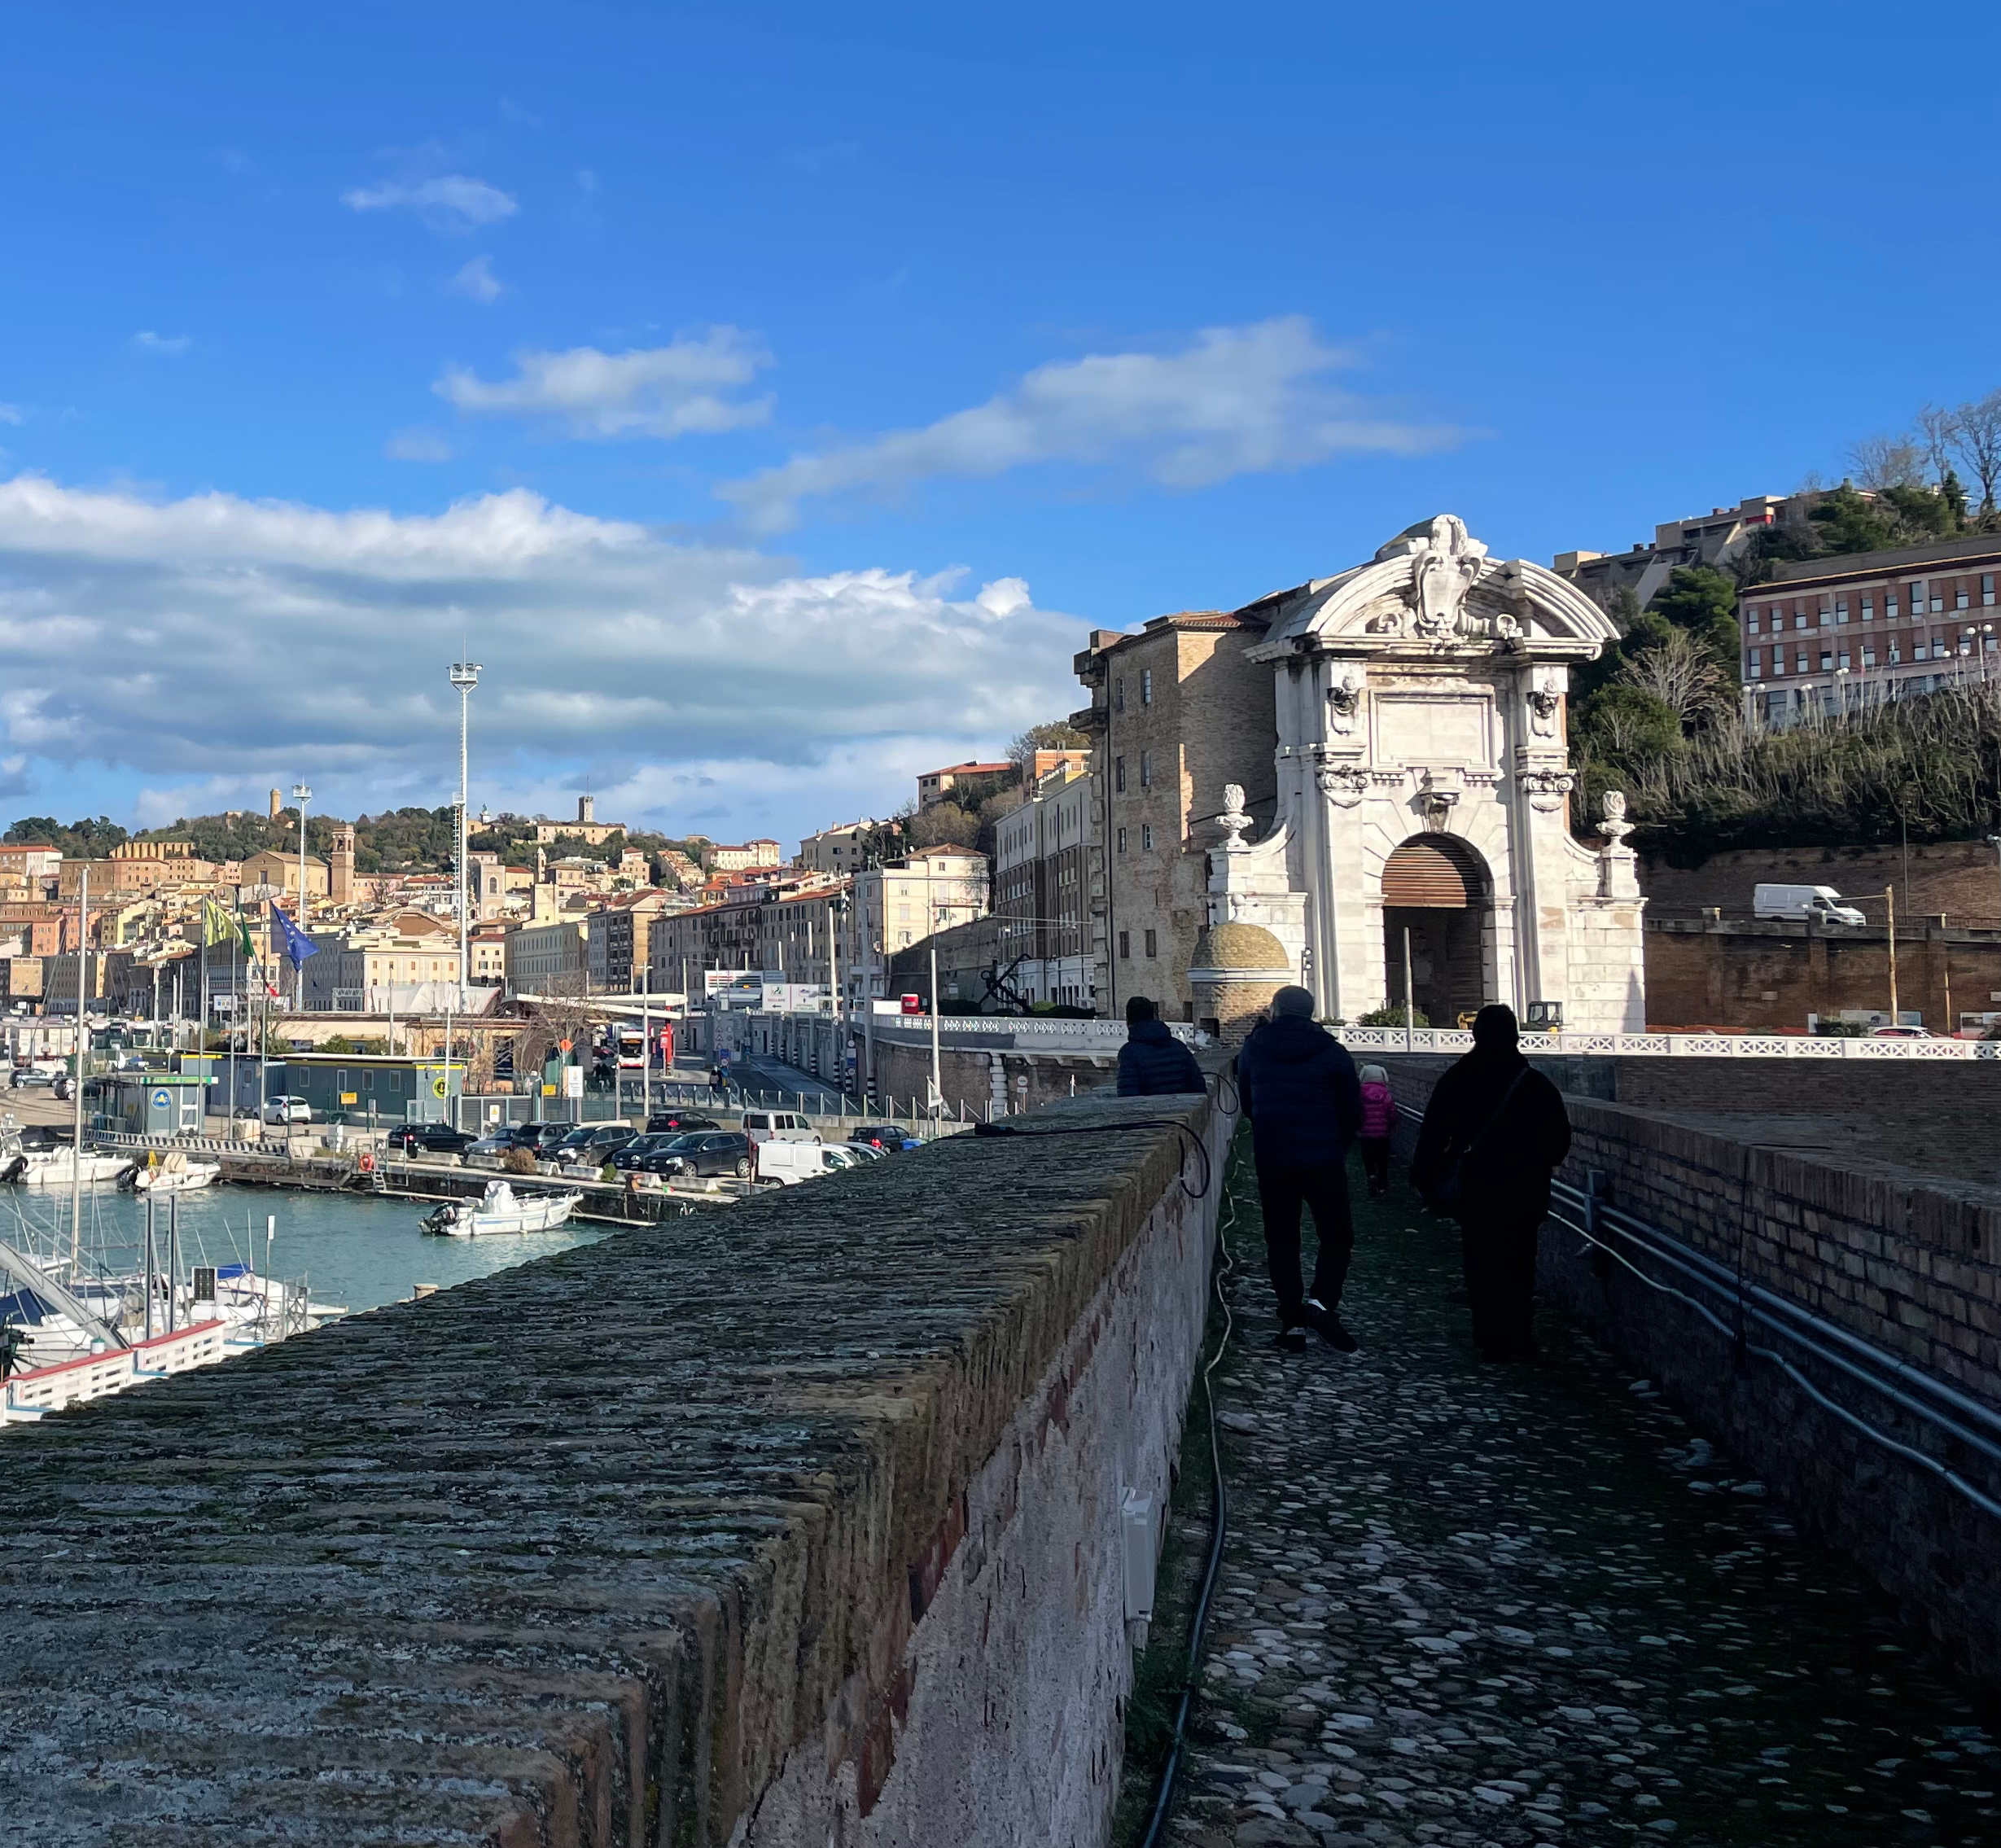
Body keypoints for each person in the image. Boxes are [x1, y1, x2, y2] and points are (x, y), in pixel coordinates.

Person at [1411, 1003, 1571, 1362]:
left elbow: (1434, 1131)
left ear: (1475, 1034)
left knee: (1480, 1260)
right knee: (1519, 1262)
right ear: (1515, 1036)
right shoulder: (1534, 1084)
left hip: (1476, 1186)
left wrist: (1425, 1177)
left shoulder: (1458, 1077)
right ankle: (1519, 1336)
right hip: (1524, 1189)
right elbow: (1559, 1139)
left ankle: (1488, 1335)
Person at [1235, 985, 1364, 1352]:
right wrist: (1336, 1145)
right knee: (1337, 1237)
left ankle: (1292, 1324)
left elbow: (1248, 1102)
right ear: (1311, 1013)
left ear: (1275, 1010)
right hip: (1324, 1160)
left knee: (1283, 1241)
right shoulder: (1334, 1053)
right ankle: (1321, 1305)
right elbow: (1352, 1111)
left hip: (1274, 1159)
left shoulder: (1254, 1048)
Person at [1116, 996, 1206, 1097]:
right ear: (1154, 1016)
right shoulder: (1179, 1046)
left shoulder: (1128, 1052)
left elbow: (1128, 1094)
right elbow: (1198, 1086)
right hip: (1183, 1107)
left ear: (1128, 1021)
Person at [1356, 1064, 1395, 1198]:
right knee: (1383, 1161)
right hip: (1383, 1135)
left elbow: (1355, 1113)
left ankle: (1371, 1175)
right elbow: (1392, 1114)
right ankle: (1383, 1187)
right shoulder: (1386, 1094)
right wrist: (1390, 1126)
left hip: (1365, 1134)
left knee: (1368, 1158)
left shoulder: (1359, 1094)